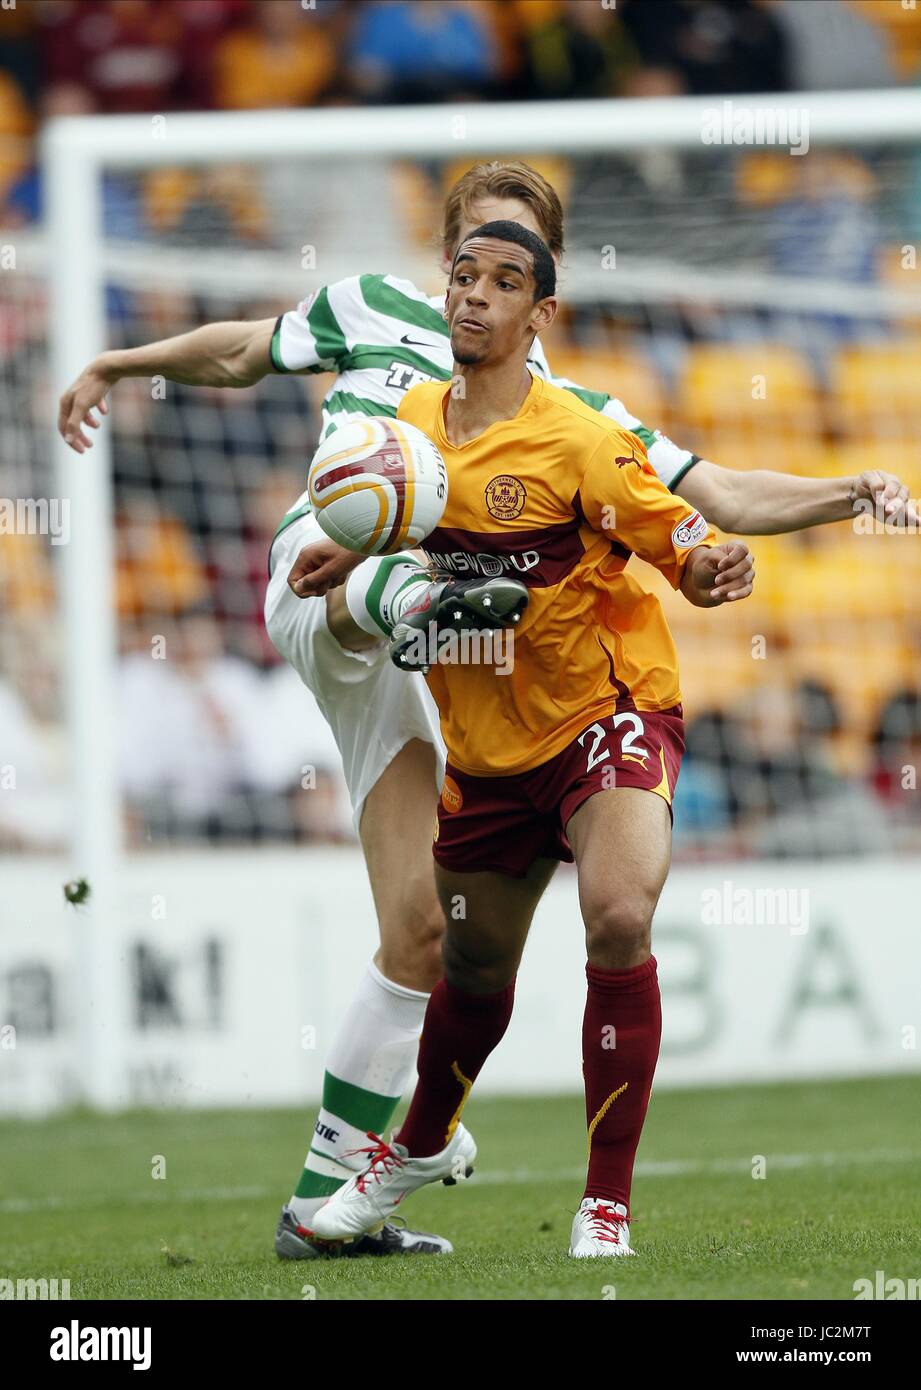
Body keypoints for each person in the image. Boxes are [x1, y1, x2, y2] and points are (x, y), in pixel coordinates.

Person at [58, 161, 915, 1261]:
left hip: (443, 666)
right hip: (326, 578)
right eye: (470, 254)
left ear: (540, 284)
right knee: (396, 571)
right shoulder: (376, 316)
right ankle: (421, 591)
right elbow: (242, 351)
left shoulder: (569, 414)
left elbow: (716, 499)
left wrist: (851, 493)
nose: (478, 284)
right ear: (449, 248)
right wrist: (119, 363)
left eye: (512, 262)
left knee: (426, 935)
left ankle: (333, 1204)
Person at [308, 219, 752, 1256]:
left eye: (504, 283)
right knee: (470, 972)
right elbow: (402, 528)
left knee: (616, 912)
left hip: (608, 714)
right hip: (490, 746)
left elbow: (676, 541)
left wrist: (708, 570)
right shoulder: (411, 428)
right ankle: (414, 1146)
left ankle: (604, 1205)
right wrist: (343, 549)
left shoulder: (583, 437)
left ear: (539, 315)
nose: (473, 296)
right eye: (463, 276)